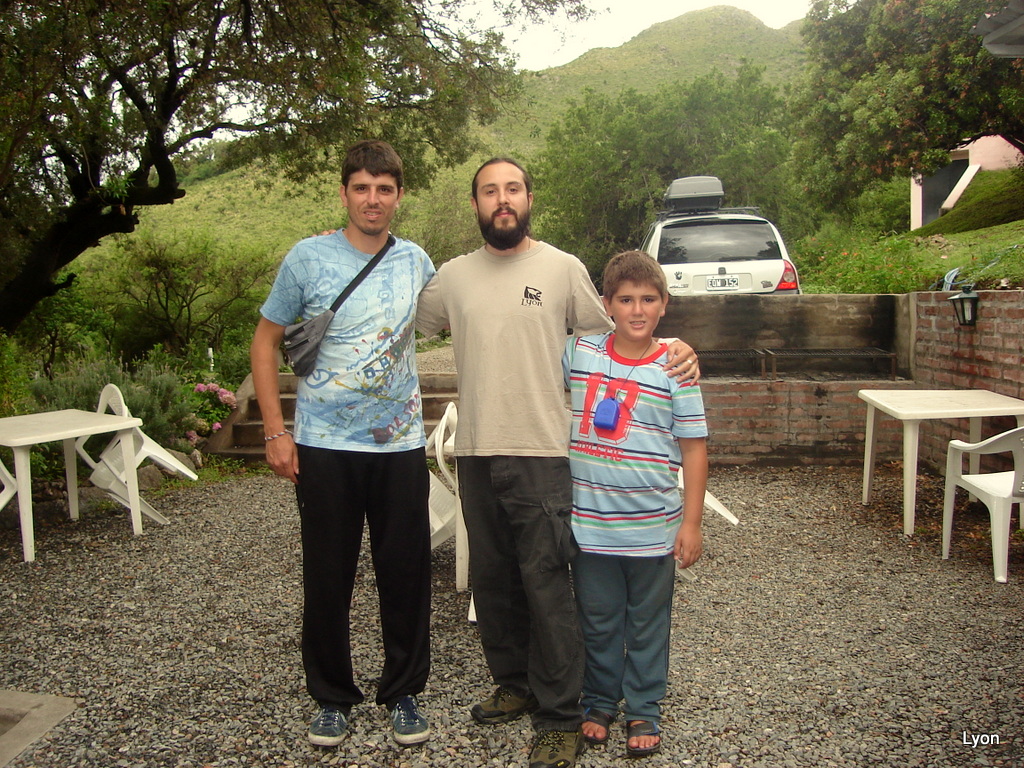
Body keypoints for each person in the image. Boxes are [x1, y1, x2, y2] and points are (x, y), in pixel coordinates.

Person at [415, 158, 700, 768]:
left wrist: (677, 348)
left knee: (546, 585)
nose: (502, 199)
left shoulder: (562, 268)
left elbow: (621, 337)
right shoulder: (453, 277)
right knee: (494, 580)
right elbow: (406, 321)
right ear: (475, 204)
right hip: (477, 452)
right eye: (489, 191)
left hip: (544, 452)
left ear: (528, 198)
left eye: (512, 189)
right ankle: (514, 682)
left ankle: (560, 715)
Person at [250, 140, 434, 749]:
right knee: (327, 576)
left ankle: (403, 691)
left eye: (384, 189)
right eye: (362, 188)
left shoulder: (416, 262)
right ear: (344, 192)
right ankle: (331, 697)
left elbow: (469, 311)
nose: (372, 199)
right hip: (324, 446)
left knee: (405, 573)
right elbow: (265, 341)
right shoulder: (307, 258)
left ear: (399, 196)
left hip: (398, 445)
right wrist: (275, 431)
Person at [562, 250, 708, 758]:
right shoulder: (580, 352)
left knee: (647, 623)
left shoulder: (676, 368)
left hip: (652, 530)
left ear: (665, 304)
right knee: (599, 620)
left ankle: (645, 706)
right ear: (606, 304)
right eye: (625, 300)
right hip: (591, 529)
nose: (637, 310)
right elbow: (527, 343)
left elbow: (694, 448)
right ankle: (600, 700)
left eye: (648, 299)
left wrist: (692, 523)